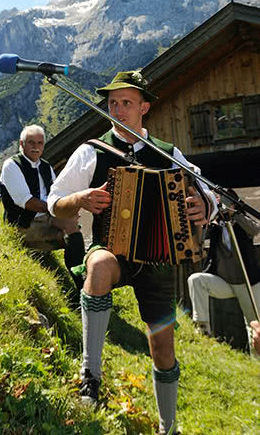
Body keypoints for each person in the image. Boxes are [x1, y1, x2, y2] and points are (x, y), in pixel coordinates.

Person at [47, 71, 214, 435]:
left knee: (164, 348)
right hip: (108, 248)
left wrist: (205, 206)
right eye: (112, 103)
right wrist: (82, 199)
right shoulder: (91, 150)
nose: (118, 110)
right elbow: (54, 202)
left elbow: (209, 192)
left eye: (126, 103)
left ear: (144, 107)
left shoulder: (168, 154)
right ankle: (89, 376)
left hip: (157, 261)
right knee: (102, 264)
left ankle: (167, 427)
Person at [0, 124, 85, 292]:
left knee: (72, 225)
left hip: (46, 217)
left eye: (40, 143)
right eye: (31, 143)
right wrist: (56, 208)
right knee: (68, 236)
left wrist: (66, 208)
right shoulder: (12, 165)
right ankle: (78, 287)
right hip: (23, 222)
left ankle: (82, 283)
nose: (36, 147)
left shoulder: (46, 167)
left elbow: (56, 194)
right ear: (21, 144)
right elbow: (26, 202)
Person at [188, 189, 260, 356]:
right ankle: (202, 328)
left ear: (233, 204)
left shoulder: (240, 221)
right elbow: (199, 240)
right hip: (225, 282)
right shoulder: (215, 225)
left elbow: (255, 229)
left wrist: (233, 215)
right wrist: (208, 221)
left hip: (248, 282)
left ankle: (255, 365)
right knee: (196, 280)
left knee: (254, 325)